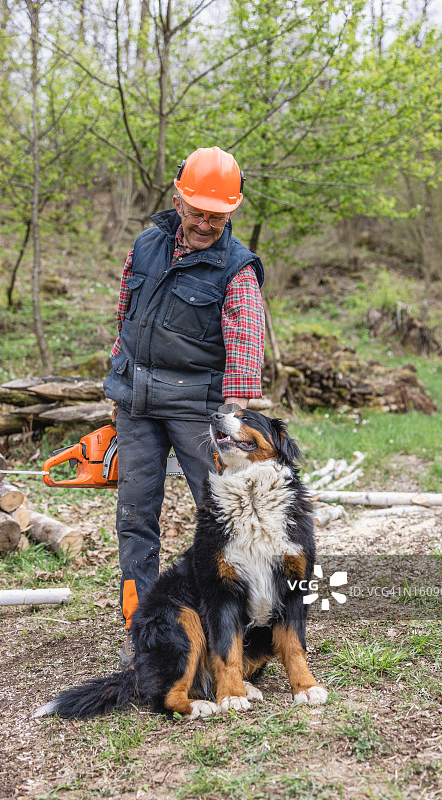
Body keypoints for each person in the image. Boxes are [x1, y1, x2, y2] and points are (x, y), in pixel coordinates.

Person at [103, 146, 266, 668]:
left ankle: (234, 629)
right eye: (196, 211)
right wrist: (116, 391)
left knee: (219, 517)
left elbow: (244, 349)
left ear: (231, 212)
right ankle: (145, 631)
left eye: (216, 215)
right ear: (178, 200)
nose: (204, 223)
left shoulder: (237, 269)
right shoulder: (147, 244)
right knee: (135, 517)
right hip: (137, 404)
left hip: (199, 411)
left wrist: (233, 419)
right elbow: (127, 320)